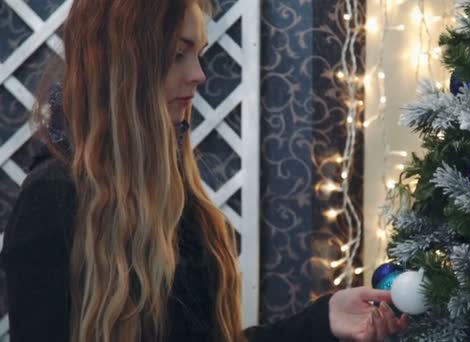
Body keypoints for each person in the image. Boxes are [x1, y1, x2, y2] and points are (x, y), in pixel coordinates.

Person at [0, 0, 410, 341]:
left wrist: (322, 322)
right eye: (179, 54)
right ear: (124, 64)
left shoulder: (175, 193)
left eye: (199, 53)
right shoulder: (53, 201)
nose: (198, 74)